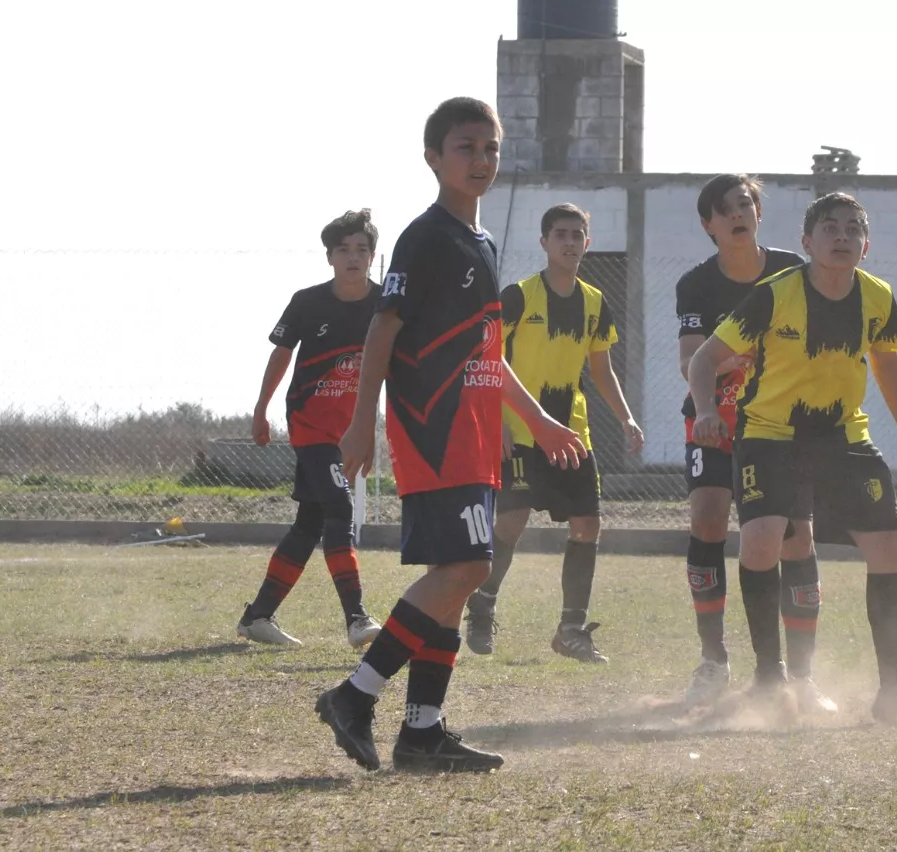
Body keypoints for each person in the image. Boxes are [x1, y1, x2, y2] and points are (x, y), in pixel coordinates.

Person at [313, 97, 586, 773]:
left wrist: (536, 420)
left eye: (490, 148)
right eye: (466, 147)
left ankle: (422, 732)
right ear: (434, 158)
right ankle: (355, 695)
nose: (481, 159)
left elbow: (487, 351)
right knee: (468, 568)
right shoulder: (426, 237)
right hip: (433, 428)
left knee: (458, 577)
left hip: (474, 433)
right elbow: (383, 328)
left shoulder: (481, 243)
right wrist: (362, 422)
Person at [688, 191, 897, 727]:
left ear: (866, 246)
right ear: (807, 242)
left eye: (854, 229)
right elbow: (704, 359)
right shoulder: (773, 295)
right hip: (770, 434)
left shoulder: (878, 297)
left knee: (889, 545)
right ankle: (770, 678)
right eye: (830, 227)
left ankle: (894, 693)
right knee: (763, 540)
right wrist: (708, 410)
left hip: (843, 436)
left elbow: (886, 362)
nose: (842, 236)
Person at [462, 203, 643, 663]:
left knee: (588, 526)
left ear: (587, 242)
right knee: (512, 520)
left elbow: (601, 370)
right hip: (520, 430)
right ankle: (482, 605)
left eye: (577, 234)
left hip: (571, 433)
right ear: (544, 242)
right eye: (560, 234)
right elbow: (486, 356)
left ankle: (571, 630)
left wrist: (626, 417)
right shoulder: (519, 296)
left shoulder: (595, 302)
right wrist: (496, 421)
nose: (569, 242)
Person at [673, 174, 809, 706]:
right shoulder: (696, 284)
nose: (738, 213)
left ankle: (799, 673)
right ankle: (713, 660)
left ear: (758, 213)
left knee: (795, 537)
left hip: (778, 423)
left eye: (746, 203)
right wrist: (729, 364)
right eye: (726, 208)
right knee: (708, 518)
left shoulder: (791, 272)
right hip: (715, 420)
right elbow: (691, 361)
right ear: (708, 224)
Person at [236, 209, 382, 650]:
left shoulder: (386, 305)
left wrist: (373, 432)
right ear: (329, 257)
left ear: (372, 256)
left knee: (310, 523)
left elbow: (393, 369)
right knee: (340, 508)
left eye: (361, 250)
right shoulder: (307, 302)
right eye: (344, 250)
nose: (353, 257)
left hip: (350, 430)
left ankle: (258, 616)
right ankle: (357, 618)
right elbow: (281, 354)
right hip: (310, 424)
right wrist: (261, 408)